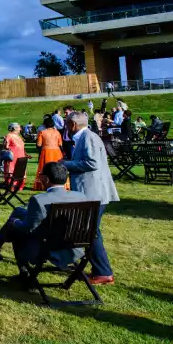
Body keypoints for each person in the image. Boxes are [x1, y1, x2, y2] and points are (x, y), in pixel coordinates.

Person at [0, 162, 87, 282]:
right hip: (74, 244)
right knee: (19, 211)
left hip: (47, 246)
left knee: (14, 227)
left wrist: (15, 223)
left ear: (46, 178)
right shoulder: (80, 197)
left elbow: (27, 228)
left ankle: (22, 271)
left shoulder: (40, 200)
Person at [62, 112, 119, 285]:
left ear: (73, 124)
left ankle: (103, 272)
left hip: (94, 192)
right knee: (91, 231)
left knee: (90, 232)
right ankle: (100, 269)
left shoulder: (88, 137)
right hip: (91, 192)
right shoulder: (86, 137)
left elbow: (92, 163)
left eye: (66, 124)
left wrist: (66, 164)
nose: (65, 128)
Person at [35, 117, 63, 191]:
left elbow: (39, 144)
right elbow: (60, 143)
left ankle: (42, 185)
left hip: (46, 151)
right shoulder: (57, 132)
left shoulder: (42, 132)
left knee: (45, 168)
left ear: (45, 124)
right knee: (57, 168)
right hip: (56, 152)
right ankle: (59, 183)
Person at [2, 123, 28, 189]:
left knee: (20, 171)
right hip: (12, 157)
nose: (20, 129)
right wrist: (5, 142)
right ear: (15, 128)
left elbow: (22, 147)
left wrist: (26, 154)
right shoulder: (9, 135)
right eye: (19, 127)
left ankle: (19, 185)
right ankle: (11, 185)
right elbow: (5, 146)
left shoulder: (19, 136)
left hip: (21, 156)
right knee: (11, 171)